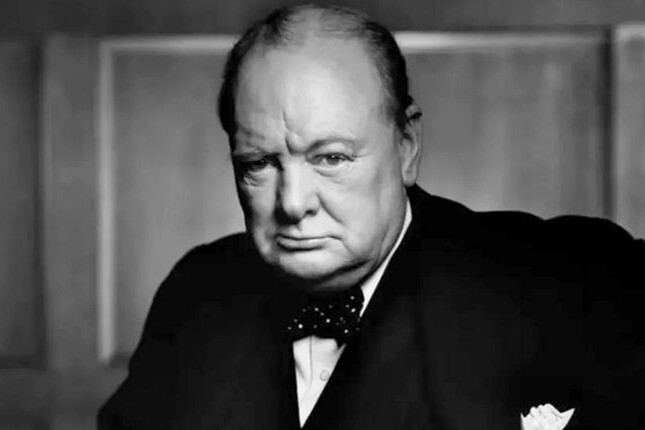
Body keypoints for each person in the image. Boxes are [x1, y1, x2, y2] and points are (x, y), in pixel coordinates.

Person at [98, 4, 644, 429]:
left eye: (331, 158)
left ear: (407, 145)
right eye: (259, 164)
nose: (292, 203)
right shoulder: (195, 295)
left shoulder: (565, 278)